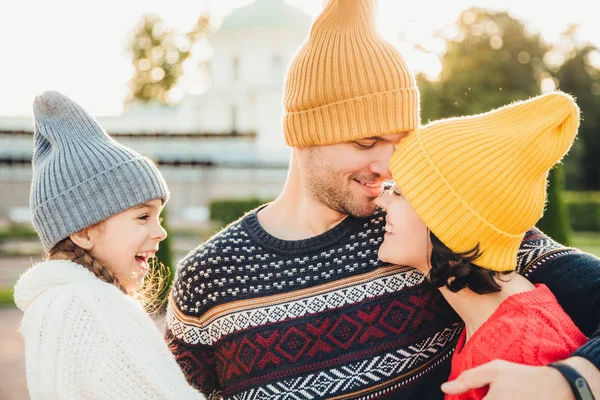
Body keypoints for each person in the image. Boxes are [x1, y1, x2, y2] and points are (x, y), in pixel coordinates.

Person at [166, 0, 600, 399]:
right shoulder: (209, 278)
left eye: (399, 143)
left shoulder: (436, 227)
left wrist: (569, 381)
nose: (388, 167)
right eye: (366, 142)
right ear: (304, 136)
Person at [375, 92, 591, 399]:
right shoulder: (490, 325)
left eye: (399, 194)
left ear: (448, 219)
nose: (381, 201)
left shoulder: (523, 354)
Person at [13, 91, 205, 400]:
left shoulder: (45, 308)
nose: (160, 232)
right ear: (83, 231)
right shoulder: (101, 308)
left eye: (159, 216)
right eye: (143, 216)